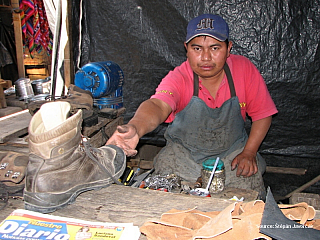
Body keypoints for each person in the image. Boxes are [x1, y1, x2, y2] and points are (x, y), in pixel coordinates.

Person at [106, 13, 278, 198]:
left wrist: (249, 152)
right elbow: (157, 105)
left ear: (229, 49)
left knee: (249, 199)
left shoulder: (244, 70)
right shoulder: (179, 78)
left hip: (232, 157)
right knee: (166, 196)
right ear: (186, 49)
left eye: (215, 48)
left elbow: (263, 114)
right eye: (197, 48)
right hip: (182, 159)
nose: (205, 57)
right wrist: (135, 128)